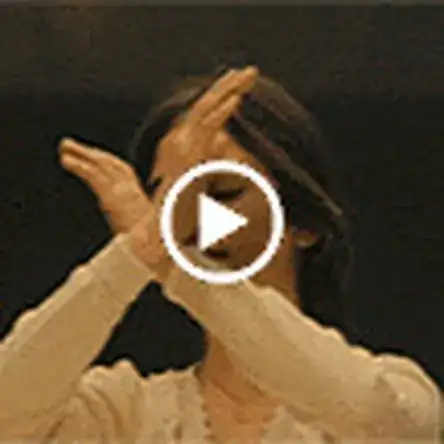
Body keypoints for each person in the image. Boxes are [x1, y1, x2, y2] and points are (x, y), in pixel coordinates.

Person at [0, 67, 440, 444]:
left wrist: (179, 265)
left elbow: (374, 416)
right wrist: (138, 250)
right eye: (169, 200)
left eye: (225, 191)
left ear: (304, 224)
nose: (190, 220)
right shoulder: (121, 411)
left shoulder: (396, 393)